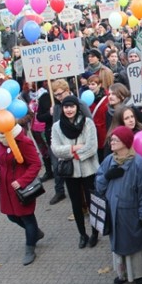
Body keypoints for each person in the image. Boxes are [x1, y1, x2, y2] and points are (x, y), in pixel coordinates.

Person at [96, 126, 142, 284]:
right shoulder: (109, 160)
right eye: (112, 139)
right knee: (118, 244)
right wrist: (107, 177)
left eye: (116, 139)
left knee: (134, 245)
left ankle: (139, 273)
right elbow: (99, 184)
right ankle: (122, 274)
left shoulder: (138, 163)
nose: (112, 142)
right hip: (114, 212)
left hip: (131, 213)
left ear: (126, 142)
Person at [51, 95, 101, 248]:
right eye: (66, 107)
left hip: (89, 169)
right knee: (76, 203)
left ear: (77, 107)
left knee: (92, 201)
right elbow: (55, 149)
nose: (69, 110)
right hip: (70, 171)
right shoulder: (57, 127)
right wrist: (72, 149)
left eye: (72, 106)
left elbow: (92, 146)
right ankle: (82, 234)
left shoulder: (88, 124)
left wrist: (78, 154)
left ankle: (94, 232)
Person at [0, 124, 43, 265]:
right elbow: (1, 162)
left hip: (21, 189)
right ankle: (35, 233)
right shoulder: (1, 140)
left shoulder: (24, 142)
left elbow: (36, 164)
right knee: (11, 216)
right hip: (6, 188)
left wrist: (22, 181)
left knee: (27, 217)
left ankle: (30, 248)